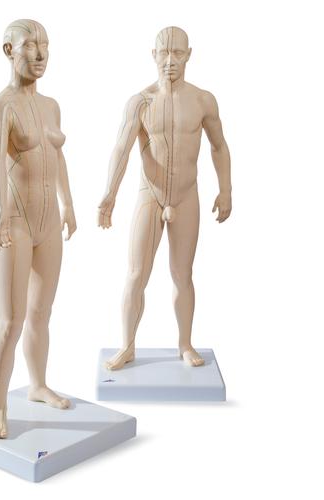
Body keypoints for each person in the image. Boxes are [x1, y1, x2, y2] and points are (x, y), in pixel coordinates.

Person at [98, 26, 231, 369]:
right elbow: (121, 148)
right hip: (151, 194)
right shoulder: (141, 102)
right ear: (153, 55)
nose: (170, 60)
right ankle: (127, 345)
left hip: (186, 195)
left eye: (178, 53)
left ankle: (185, 343)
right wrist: (110, 193)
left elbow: (218, 146)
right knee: (136, 274)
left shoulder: (203, 100)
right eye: (163, 53)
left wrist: (226, 189)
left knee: (182, 274)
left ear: (189, 55)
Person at [0, 19, 77, 438]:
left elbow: (57, 156)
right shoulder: (0, 106)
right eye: (29, 46)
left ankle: (37, 385)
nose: (40, 55)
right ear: (9, 51)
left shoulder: (51, 106)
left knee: (42, 312)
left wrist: (68, 202)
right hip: (16, 222)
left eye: (45, 46)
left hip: (49, 222)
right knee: (11, 320)